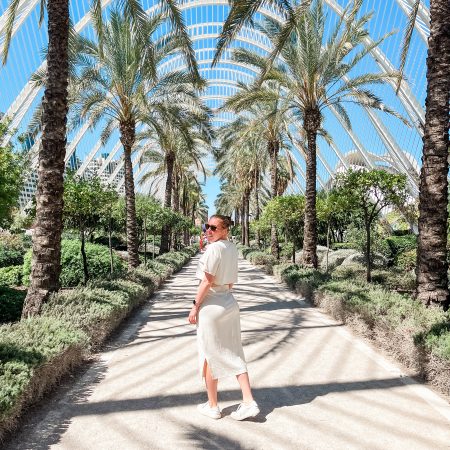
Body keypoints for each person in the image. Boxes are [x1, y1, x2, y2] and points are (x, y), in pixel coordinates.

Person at [188, 214, 260, 421]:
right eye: (206, 226)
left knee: (209, 354)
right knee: (235, 351)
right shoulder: (231, 248)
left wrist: (194, 307)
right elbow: (230, 284)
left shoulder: (214, 249)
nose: (208, 231)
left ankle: (213, 406)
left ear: (225, 230)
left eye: (213, 228)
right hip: (229, 303)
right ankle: (248, 401)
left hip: (211, 306)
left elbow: (206, 282)